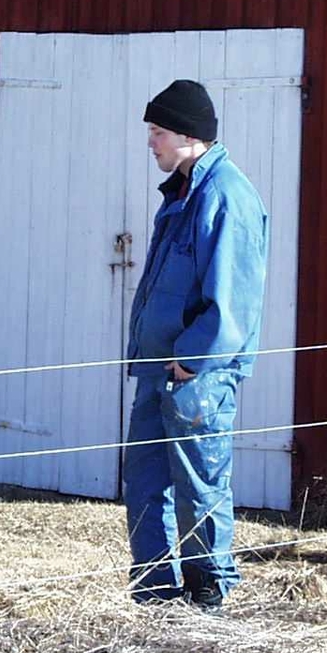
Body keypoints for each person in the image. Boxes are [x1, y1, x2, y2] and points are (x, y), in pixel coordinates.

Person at [125, 79, 268, 612]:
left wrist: (190, 359)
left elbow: (232, 302)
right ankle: (156, 595)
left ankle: (208, 599)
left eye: (158, 131)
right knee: (145, 482)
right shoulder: (183, 194)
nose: (151, 143)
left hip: (195, 376)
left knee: (199, 483)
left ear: (189, 135)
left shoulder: (227, 196)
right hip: (158, 369)